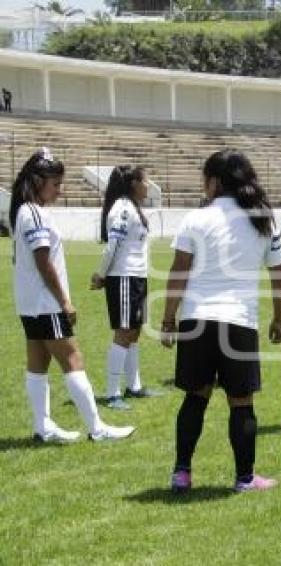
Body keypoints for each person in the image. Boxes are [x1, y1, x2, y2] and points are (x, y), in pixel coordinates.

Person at [161, 149, 281, 493]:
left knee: (195, 397)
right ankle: (245, 478)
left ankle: (182, 473)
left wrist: (168, 318)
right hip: (239, 322)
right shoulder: (263, 220)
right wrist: (279, 319)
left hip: (197, 320)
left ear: (215, 181)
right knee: (241, 402)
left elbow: (179, 272)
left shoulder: (196, 219)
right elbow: (280, 276)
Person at [9, 147, 135, 443]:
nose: (59, 190)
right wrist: (64, 300)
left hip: (29, 303)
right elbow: (43, 262)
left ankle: (43, 426)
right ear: (38, 181)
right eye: (56, 184)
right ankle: (97, 428)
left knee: (37, 362)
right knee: (72, 358)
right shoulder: (34, 213)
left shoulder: (24, 211)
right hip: (45, 303)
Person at [90, 165, 160, 410]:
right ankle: (112, 394)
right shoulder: (121, 208)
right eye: (145, 180)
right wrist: (101, 274)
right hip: (123, 277)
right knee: (123, 332)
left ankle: (134, 386)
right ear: (133, 184)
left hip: (137, 276)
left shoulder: (132, 207)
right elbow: (113, 246)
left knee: (134, 331)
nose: (148, 184)